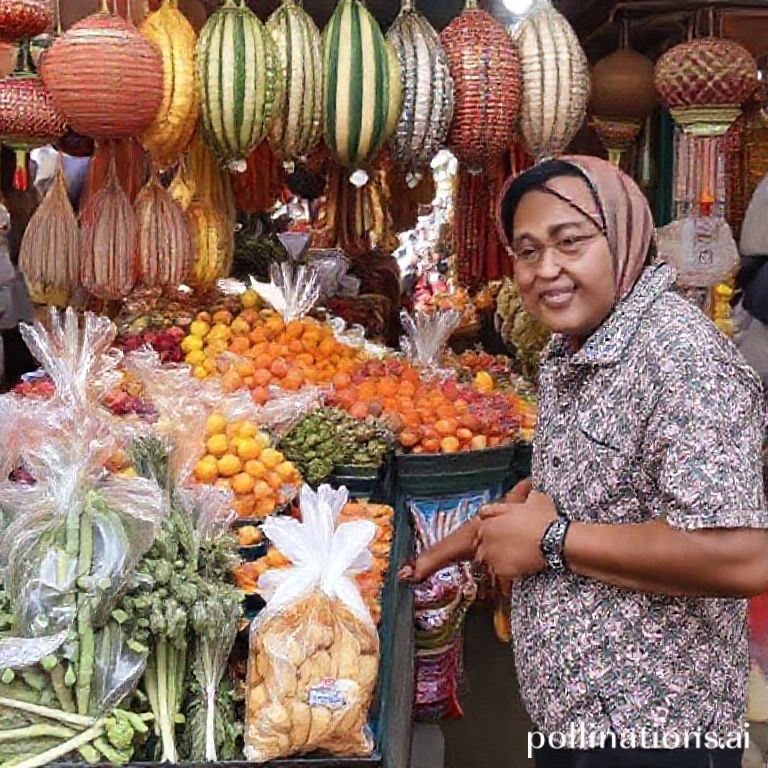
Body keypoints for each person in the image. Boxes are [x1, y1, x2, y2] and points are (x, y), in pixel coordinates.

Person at [401, 156, 768, 768]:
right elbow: (595, 485)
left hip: (654, 730)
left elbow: (742, 556)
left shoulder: (682, 361)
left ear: (622, 237)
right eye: (527, 250)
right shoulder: (578, 342)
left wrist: (551, 540)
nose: (547, 270)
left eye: (570, 243)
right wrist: (465, 539)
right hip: (574, 711)